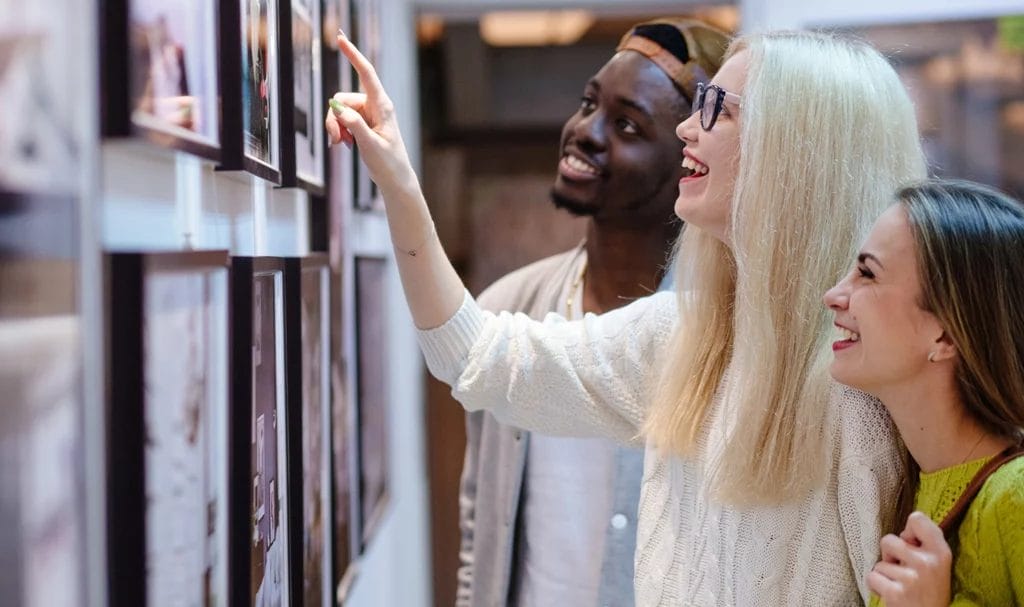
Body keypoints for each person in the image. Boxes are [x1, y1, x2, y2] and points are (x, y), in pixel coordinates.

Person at [326, 29, 927, 604]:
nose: (689, 129)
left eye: (719, 108)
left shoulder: (870, 393)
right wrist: (397, 176)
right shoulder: (683, 339)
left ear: (796, 150)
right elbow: (473, 357)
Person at [457, 19, 728, 607]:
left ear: (691, 161)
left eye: (626, 124)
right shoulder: (508, 311)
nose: (584, 131)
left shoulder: (724, 333)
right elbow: (482, 519)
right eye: (587, 103)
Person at [824, 179, 1024, 607]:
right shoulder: (906, 489)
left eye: (867, 273)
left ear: (946, 335)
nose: (834, 295)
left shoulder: (1017, 495)